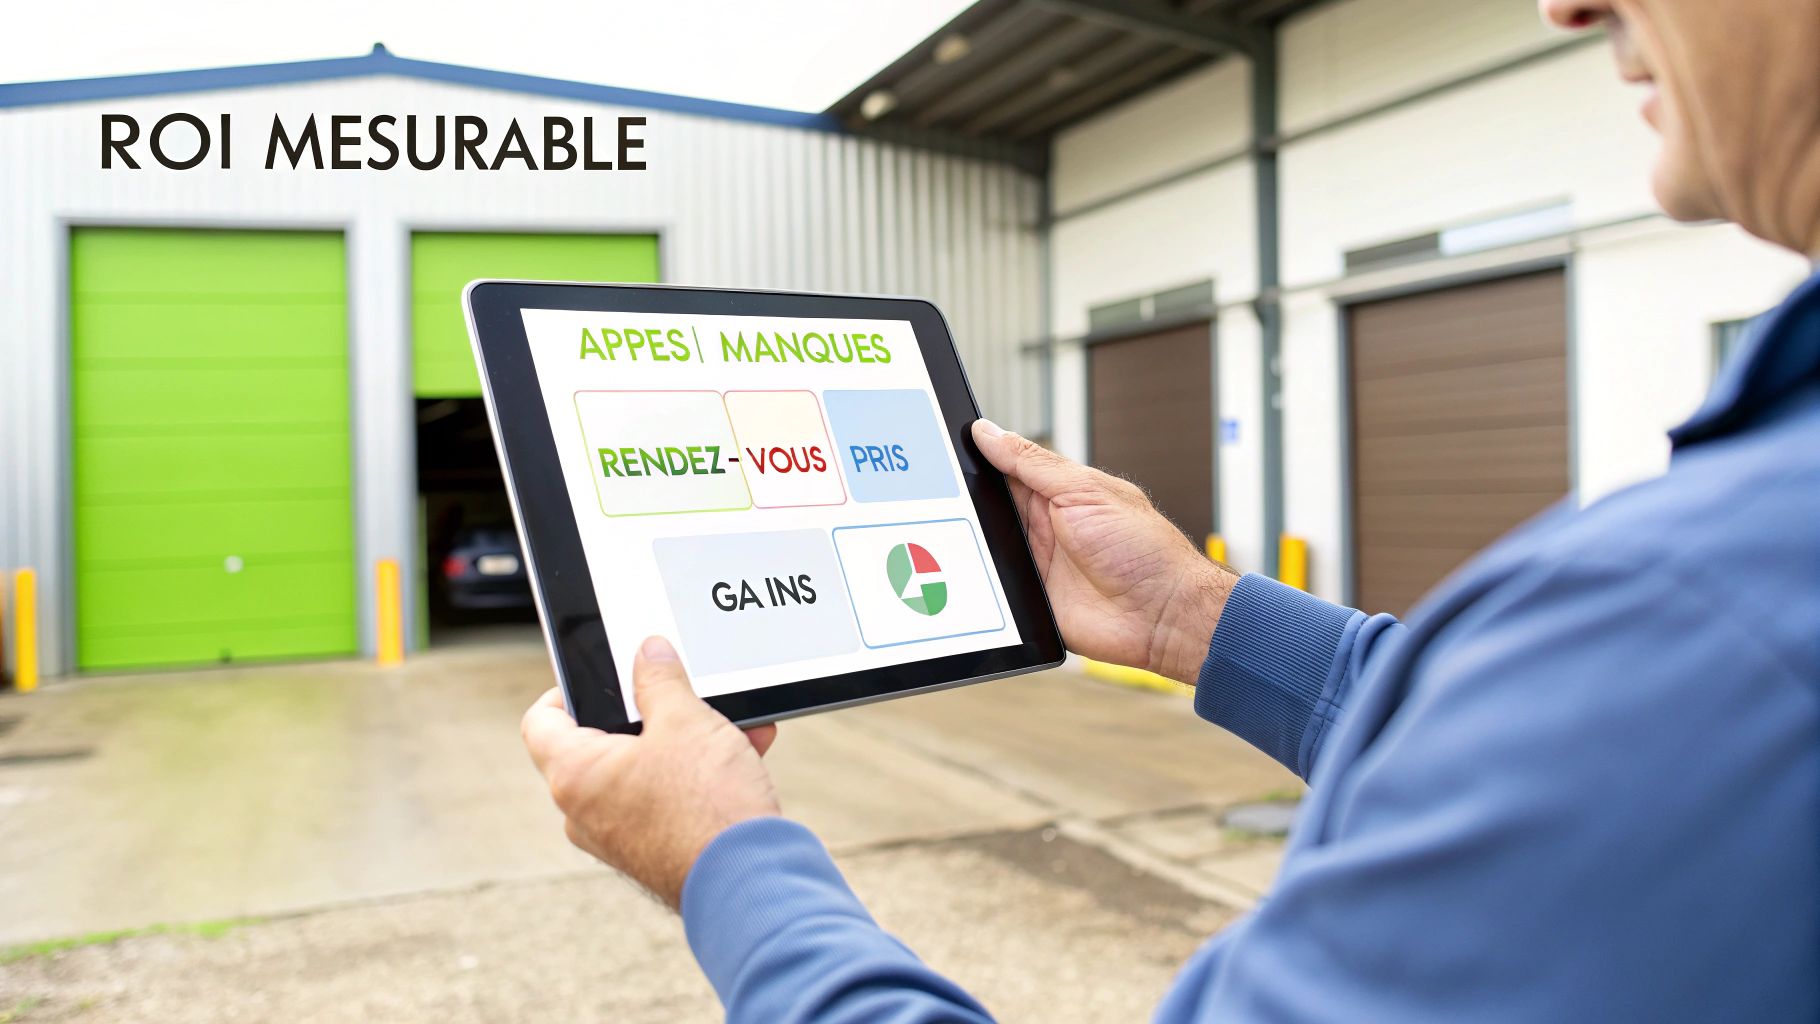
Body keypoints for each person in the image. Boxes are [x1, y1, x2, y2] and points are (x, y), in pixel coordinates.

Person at [520, 0, 1819, 1018]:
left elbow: (1628, 720)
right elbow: (1550, 749)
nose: (1568, 6)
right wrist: (1197, 615)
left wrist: (730, 863)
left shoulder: (1708, 613)